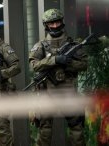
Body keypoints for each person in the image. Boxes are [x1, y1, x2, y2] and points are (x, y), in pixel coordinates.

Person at [29, 9, 87, 146]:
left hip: (68, 91)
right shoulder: (40, 45)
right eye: (51, 23)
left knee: (76, 127)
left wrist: (68, 63)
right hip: (47, 92)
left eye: (57, 22)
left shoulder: (74, 44)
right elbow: (34, 66)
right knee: (45, 129)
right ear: (46, 25)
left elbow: (84, 64)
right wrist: (55, 60)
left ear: (62, 22)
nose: (55, 26)